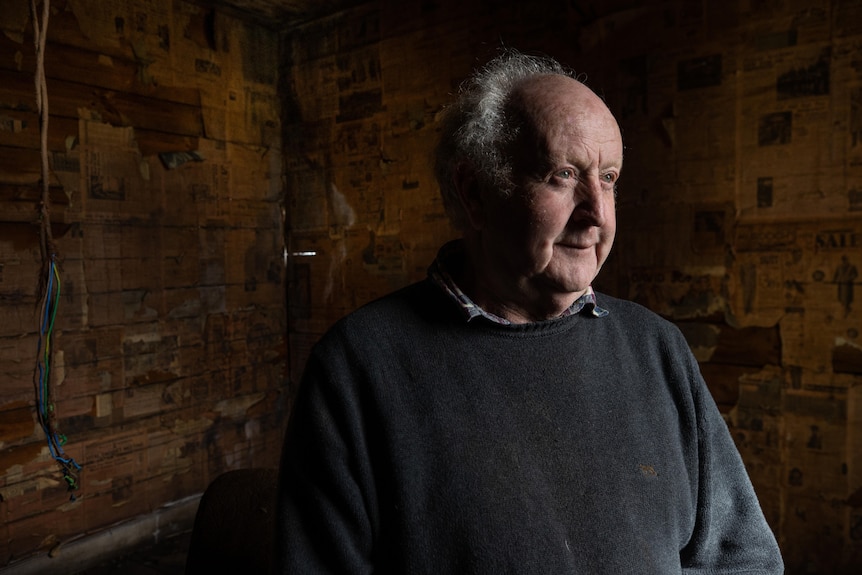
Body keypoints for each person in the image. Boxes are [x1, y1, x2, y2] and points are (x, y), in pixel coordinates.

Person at [274, 49, 784, 574]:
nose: (597, 215)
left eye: (608, 178)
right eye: (564, 174)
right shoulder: (357, 367)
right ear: (475, 192)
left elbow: (742, 558)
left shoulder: (658, 347)